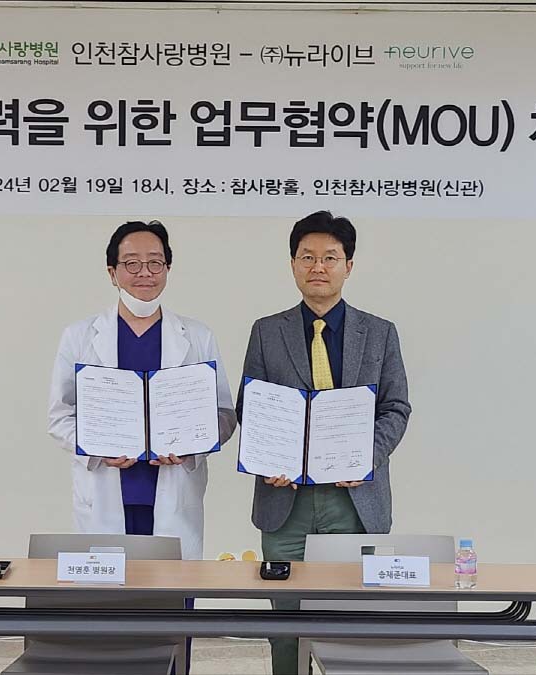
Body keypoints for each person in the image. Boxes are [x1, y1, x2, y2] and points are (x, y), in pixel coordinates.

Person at [237, 210, 411, 674]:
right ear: (293, 264)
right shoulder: (266, 331)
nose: (318, 266)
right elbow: (252, 408)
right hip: (285, 501)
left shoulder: (379, 333)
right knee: (286, 626)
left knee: (350, 622)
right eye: (307, 257)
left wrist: (365, 457)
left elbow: (396, 408)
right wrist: (266, 459)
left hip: (353, 500)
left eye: (330, 257)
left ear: (348, 266)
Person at [48, 220, 237, 561]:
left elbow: (224, 414)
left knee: (172, 591)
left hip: (174, 492)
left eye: (155, 262)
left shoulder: (197, 336)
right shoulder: (79, 336)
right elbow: (60, 416)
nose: (145, 273)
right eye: (132, 263)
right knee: (108, 590)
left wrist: (191, 447)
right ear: (112, 272)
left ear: (168, 269)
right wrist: (96, 449)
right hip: (104, 489)